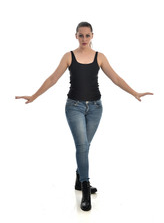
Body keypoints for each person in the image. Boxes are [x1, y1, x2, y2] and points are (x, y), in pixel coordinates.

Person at [15, 21, 153, 211]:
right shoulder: (69, 56)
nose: (84, 39)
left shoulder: (100, 57)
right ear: (76, 36)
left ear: (92, 36)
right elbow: (53, 79)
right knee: (82, 146)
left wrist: (134, 92)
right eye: (81, 35)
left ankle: (79, 180)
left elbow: (116, 79)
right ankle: (86, 188)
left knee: (85, 146)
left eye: (88, 35)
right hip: (74, 107)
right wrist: (34, 96)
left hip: (96, 108)